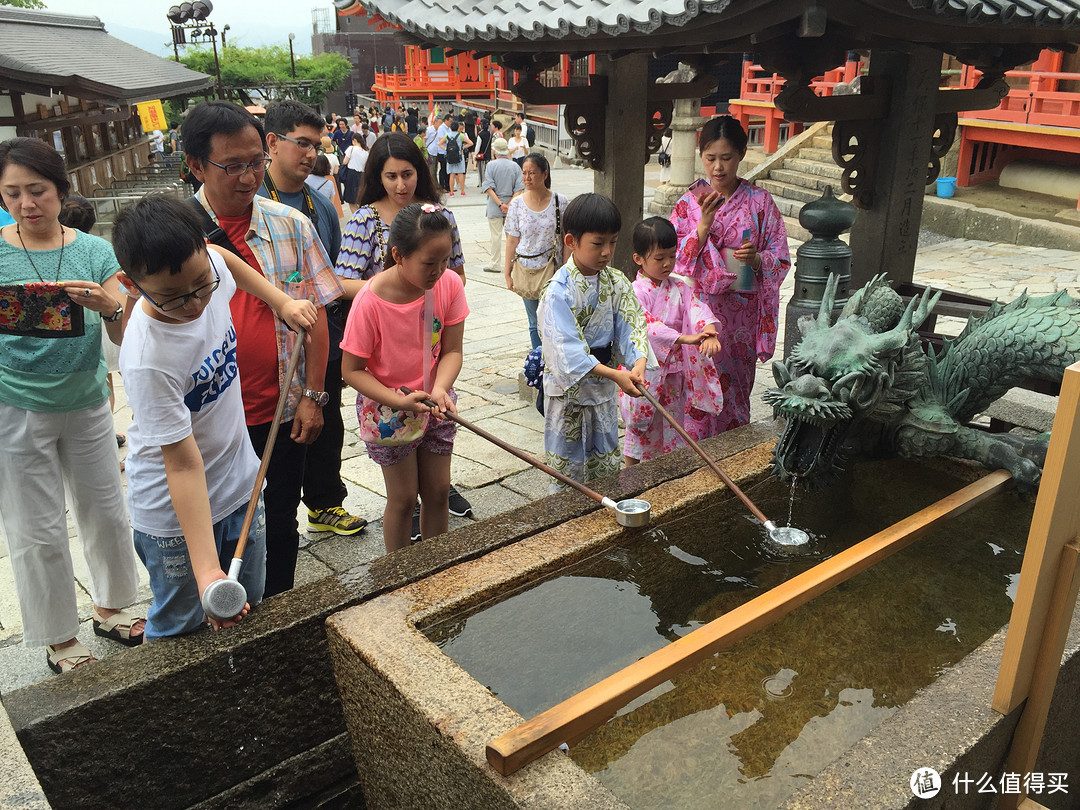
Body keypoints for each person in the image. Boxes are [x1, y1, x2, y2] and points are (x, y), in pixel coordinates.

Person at [112, 196, 318, 639]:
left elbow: (225, 260)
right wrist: (205, 569)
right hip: (174, 513)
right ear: (131, 284)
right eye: (172, 297)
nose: (194, 304)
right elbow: (181, 464)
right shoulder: (150, 357)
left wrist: (279, 301)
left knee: (248, 608)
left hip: (240, 485)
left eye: (202, 285)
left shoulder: (210, 268)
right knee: (181, 629)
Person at [182, 100, 344, 599]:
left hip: (280, 411)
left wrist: (314, 397)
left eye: (255, 161)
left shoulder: (291, 225)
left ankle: (279, 616)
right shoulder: (175, 234)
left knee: (279, 519)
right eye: (232, 166)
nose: (249, 176)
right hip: (207, 420)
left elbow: (319, 319)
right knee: (214, 524)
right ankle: (222, 611)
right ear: (195, 165)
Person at [0, 137, 143, 673]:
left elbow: (124, 323)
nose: (26, 204)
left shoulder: (93, 249)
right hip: (13, 401)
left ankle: (112, 604)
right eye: (12, 193)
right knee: (34, 524)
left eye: (36, 190)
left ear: (61, 189)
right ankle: (59, 635)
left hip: (84, 398)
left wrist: (109, 305)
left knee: (105, 508)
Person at [335, 132, 473, 527]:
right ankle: (400, 582)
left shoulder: (443, 277)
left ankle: (439, 570)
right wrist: (390, 294)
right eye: (391, 175)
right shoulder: (371, 297)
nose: (400, 184)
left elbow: (451, 348)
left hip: (435, 397)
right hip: (387, 405)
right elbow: (352, 368)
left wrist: (442, 387)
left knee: (437, 492)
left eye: (408, 174)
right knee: (401, 498)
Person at [261, 100, 366, 537]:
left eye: (315, 144)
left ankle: (325, 504)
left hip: (322, 332)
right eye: (300, 143)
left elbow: (335, 277)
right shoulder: (254, 200)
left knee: (327, 419)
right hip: (268, 340)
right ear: (272, 142)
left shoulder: (320, 206)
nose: (310, 154)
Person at [670, 115, 791, 433]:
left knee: (734, 393)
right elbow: (670, 259)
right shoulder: (688, 204)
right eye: (710, 158)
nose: (718, 168)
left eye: (727, 158)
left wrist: (757, 260)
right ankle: (694, 461)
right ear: (701, 156)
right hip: (701, 311)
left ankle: (733, 455)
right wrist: (702, 227)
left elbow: (780, 258)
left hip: (741, 317)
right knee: (696, 390)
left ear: (741, 155)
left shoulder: (760, 203)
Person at [538, 193, 652, 490]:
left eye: (612, 242)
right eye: (598, 243)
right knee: (567, 469)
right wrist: (616, 374)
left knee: (605, 464)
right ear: (571, 241)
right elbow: (565, 350)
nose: (607, 252)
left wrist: (638, 362)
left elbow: (633, 323)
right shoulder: (558, 291)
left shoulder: (617, 281)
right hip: (569, 393)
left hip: (603, 388)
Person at [620, 217, 724, 465]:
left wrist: (709, 330)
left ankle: (668, 472)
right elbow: (644, 325)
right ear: (639, 259)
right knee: (639, 429)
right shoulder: (635, 291)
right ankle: (630, 479)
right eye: (659, 258)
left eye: (671, 256)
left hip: (673, 372)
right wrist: (685, 338)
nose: (667, 264)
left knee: (672, 424)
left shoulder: (679, 287)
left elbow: (696, 308)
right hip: (645, 369)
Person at [503, 153, 567, 351]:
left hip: (552, 269)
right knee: (534, 321)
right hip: (526, 268)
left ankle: (554, 358)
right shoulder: (517, 204)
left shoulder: (560, 201)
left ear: (544, 173)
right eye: (524, 173)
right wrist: (507, 272)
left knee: (553, 318)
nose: (527, 178)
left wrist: (565, 269)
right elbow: (512, 239)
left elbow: (567, 239)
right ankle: (538, 361)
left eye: (532, 173)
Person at [480, 138, 522, 275]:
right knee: (512, 237)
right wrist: (509, 205)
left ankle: (495, 263)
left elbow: (488, 187)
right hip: (512, 207)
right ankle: (514, 262)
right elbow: (519, 189)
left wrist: (500, 203)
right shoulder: (515, 166)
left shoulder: (491, 166)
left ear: (495, 151)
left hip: (494, 206)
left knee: (495, 236)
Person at [307, 153, 345, 218]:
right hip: (323, 214)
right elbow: (331, 204)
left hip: (309, 213)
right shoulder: (329, 183)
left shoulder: (305, 179)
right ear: (327, 166)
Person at [443, 120, 473, 197]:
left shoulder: (447, 135)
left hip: (450, 156)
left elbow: (439, 143)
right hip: (460, 155)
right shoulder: (461, 136)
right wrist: (462, 147)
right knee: (460, 173)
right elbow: (470, 143)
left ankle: (452, 192)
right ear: (458, 128)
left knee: (451, 174)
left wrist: (446, 149)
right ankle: (462, 191)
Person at [341, 131, 369, 206]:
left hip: (352, 175)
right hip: (362, 176)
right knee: (359, 198)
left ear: (355, 140)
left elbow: (345, 161)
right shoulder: (366, 152)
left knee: (351, 201)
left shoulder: (351, 148)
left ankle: (357, 216)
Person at [434, 112, 453, 192]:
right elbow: (440, 139)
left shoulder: (449, 128)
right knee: (443, 169)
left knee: (448, 169)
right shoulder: (442, 128)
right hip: (442, 151)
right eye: (450, 121)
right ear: (445, 120)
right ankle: (442, 186)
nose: (450, 123)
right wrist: (449, 140)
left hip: (448, 151)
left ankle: (448, 186)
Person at [474, 117, 492, 188]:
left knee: (481, 170)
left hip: (481, 155)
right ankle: (487, 184)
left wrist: (475, 155)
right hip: (488, 155)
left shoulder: (480, 135)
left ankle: (482, 183)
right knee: (487, 170)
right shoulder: (490, 134)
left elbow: (478, 146)